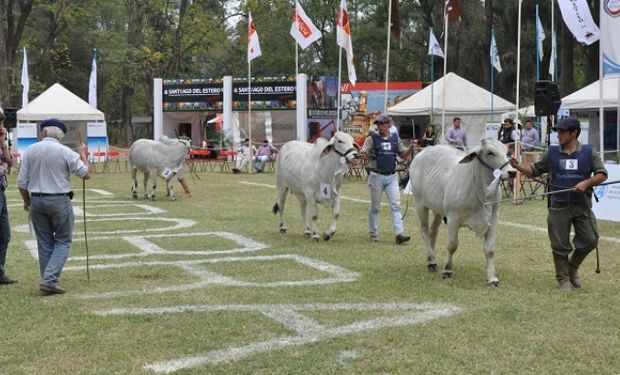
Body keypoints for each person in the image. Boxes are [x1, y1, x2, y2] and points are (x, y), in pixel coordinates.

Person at [509, 117, 607, 292]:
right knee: (560, 245)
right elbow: (535, 169)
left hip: (582, 206)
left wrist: (586, 183)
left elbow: (602, 174)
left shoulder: (589, 152)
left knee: (590, 240)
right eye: (557, 131)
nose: (558, 135)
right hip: (559, 206)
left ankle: (572, 267)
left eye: (562, 132)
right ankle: (563, 278)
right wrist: (518, 166)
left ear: (574, 132)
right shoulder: (552, 152)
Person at [17, 119, 92, 295]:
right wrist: (83, 154)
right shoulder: (66, 152)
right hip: (59, 200)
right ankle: (49, 280)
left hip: (36, 200)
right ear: (61, 134)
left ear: (44, 132)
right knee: (63, 241)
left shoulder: (30, 150)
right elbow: (86, 174)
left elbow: (21, 183)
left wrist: (26, 201)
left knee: (44, 243)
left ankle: (47, 279)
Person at [362, 113, 415, 244]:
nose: (379, 126)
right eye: (377, 124)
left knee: (396, 205)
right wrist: (363, 153)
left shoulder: (395, 139)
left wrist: (410, 148)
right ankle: (373, 233)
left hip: (391, 176)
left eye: (381, 124)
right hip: (376, 176)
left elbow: (403, 155)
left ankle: (399, 234)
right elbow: (365, 150)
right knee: (375, 207)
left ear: (388, 125)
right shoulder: (372, 138)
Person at [0, 114, 17, 285]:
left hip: (1, 191)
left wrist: (3, 144)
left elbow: (10, 162)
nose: (3, 127)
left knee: (5, 235)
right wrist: (4, 166)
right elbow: (5, 167)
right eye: (1, 123)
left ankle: (0, 273)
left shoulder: (1, 142)